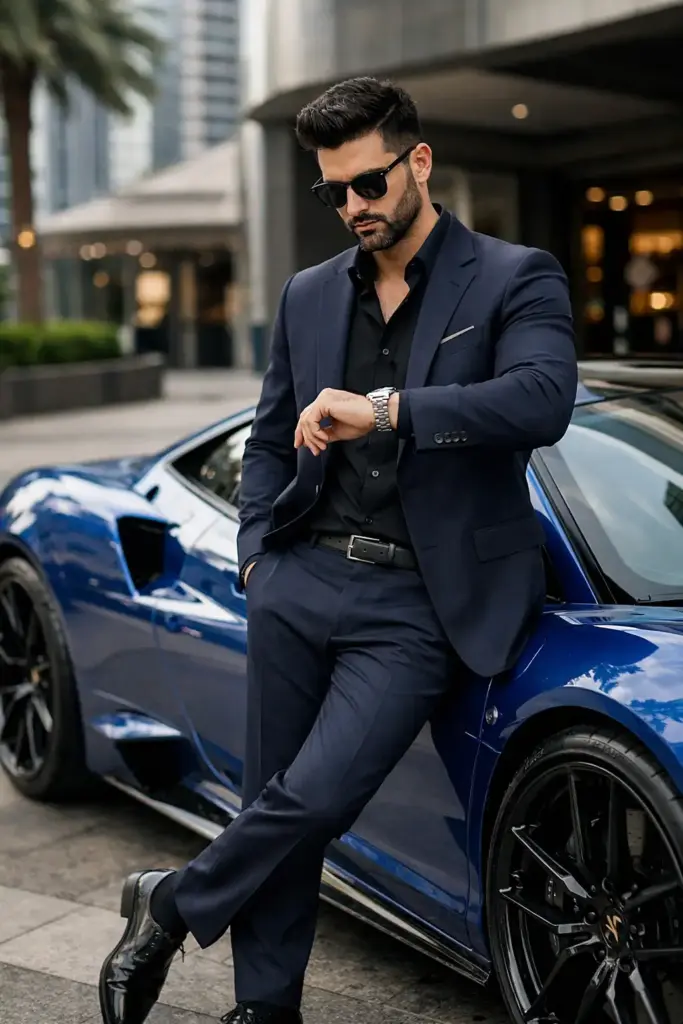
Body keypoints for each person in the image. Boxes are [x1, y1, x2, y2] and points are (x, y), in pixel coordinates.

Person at [98, 76, 578, 1024]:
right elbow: (271, 437)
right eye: (334, 193)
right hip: (298, 577)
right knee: (273, 803)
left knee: (311, 802)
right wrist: (255, 556)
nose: (353, 208)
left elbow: (540, 399)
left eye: (368, 184)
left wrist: (389, 410)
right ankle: (264, 1009)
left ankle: (171, 902)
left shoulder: (516, 276)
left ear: (419, 162)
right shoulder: (308, 296)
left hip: (418, 603)